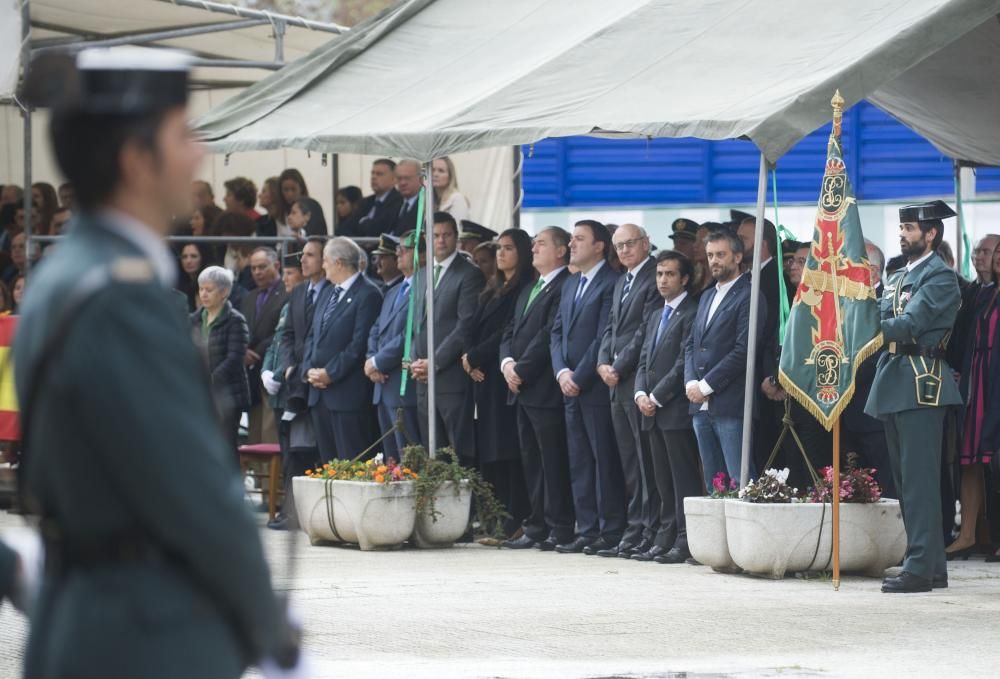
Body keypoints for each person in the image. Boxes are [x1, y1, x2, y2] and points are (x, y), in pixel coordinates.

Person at [15, 46, 294, 677]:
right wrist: (268, 632)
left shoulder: (69, 275)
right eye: (181, 133)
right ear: (135, 160)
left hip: (89, 618)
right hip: (146, 635)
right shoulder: (121, 297)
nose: (197, 152)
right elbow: (199, 499)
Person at [866, 200, 963, 593]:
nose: (902, 234)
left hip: (922, 382)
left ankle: (920, 567)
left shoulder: (940, 277)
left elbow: (908, 325)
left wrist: (864, 325)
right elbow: (882, 313)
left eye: (909, 228)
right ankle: (930, 564)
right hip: (895, 379)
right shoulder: (900, 274)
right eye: (902, 227)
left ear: (931, 234)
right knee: (906, 482)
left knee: (920, 483)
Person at [550, 219, 626, 554]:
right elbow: (556, 332)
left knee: (602, 459)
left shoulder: (611, 283)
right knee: (579, 460)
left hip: (593, 387)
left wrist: (578, 377)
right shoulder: (570, 283)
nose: (572, 245)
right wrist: (561, 373)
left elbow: (602, 337)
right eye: (570, 239)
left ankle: (609, 530)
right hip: (568, 384)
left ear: (599, 245)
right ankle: (588, 526)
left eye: (579, 239)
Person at [500, 227, 575, 550]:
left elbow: (548, 335)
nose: (534, 248)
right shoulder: (530, 287)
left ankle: (559, 525)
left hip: (543, 388)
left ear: (561, 250)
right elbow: (510, 330)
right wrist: (506, 364)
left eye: (541, 243)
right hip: (519, 388)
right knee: (531, 461)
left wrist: (522, 369)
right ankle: (537, 524)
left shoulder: (564, 286)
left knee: (552, 461)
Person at [596, 224, 661, 558]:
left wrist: (618, 366)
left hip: (636, 379)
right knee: (629, 463)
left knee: (645, 461)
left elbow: (644, 331)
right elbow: (610, 327)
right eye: (618, 246)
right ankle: (634, 527)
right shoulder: (622, 280)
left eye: (630, 244)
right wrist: (601, 362)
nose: (623, 251)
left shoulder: (653, 277)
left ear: (646, 243)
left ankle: (647, 530)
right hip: (614, 382)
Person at [464, 228, 533, 535]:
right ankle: (496, 514)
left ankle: (515, 516)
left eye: (508, 248)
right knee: (490, 449)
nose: (501, 254)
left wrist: (476, 356)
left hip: (502, 376)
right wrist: (468, 359)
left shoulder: (523, 288)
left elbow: (506, 331)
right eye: (499, 249)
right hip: (482, 376)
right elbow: (473, 326)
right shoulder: (494, 286)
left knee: (507, 449)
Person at [633, 250, 700, 564]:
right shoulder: (654, 313)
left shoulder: (691, 311)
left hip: (672, 410)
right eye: (659, 274)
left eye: (670, 274)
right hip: (650, 409)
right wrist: (639, 394)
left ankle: (685, 539)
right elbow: (644, 358)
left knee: (681, 478)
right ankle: (664, 535)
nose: (662, 280)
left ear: (684, 278)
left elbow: (681, 363)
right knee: (661, 480)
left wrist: (656, 396)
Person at [685, 229, 762, 488]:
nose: (714, 261)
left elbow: (744, 350)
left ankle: (745, 531)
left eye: (720, 254)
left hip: (731, 404)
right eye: (710, 255)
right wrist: (690, 384)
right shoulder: (707, 295)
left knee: (740, 482)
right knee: (713, 483)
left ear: (738, 256)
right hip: (700, 406)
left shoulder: (749, 295)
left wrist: (705, 386)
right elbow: (691, 345)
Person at [410, 212, 485, 465]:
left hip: (450, 379)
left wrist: (435, 361)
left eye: (446, 235)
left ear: (456, 238)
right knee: (432, 456)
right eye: (435, 235)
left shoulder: (468, 274)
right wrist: (414, 361)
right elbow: (414, 324)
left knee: (458, 453)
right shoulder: (421, 275)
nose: (440, 241)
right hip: (423, 380)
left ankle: (466, 506)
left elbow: (465, 326)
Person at [303, 237, 383, 460]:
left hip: (347, 395)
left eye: (326, 260)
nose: (323, 265)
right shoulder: (329, 292)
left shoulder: (368, 294)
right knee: (328, 466)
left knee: (352, 464)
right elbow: (312, 335)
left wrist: (330, 373)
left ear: (338, 262)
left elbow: (358, 345)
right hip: (319, 394)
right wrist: (309, 369)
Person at [950, 239, 1000, 559]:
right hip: (976, 378)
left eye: (987, 251)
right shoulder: (975, 292)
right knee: (969, 460)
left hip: (996, 380)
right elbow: (961, 336)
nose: (980, 257)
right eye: (977, 252)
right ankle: (967, 533)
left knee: (996, 460)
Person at [274, 236, 327, 529]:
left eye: (310, 255)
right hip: (296, 382)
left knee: (320, 449)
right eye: (302, 255)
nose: (303, 260)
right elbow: (288, 335)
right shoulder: (299, 292)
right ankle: (293, 512)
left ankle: (319, 515)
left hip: (322, 379)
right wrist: (289, 365)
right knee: (296, 448)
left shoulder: (332, 290)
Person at [366, 230, 424, 463]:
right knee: (392, 461)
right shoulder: (393, 291)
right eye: (398, 248)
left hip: (402, 385)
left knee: (409, 459)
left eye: (405, 249)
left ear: (421, 253)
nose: (398, 253)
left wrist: (378, 361)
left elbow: (408, 334)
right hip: (382, 385)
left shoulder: (423, 288)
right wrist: (371, 360)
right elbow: (376, 329)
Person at [841, 241, 893, 497]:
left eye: (850, 267)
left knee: (883, 486)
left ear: (872, 272)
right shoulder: (845, 303)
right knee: (852, 486)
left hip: (874, 413)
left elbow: (876, 355)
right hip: (845, 412)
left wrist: (843, 378)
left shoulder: (888, 302)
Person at [737, 215, 783, 474]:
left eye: (743, 238)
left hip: (767, 383)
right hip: (746, 382)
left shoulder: (777, 279)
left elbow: (772, 332)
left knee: (768, 453)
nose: (737, 243)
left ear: (763, 243)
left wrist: (769, 375)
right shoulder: (747, 277)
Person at [192, 266, 251, 454]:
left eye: (209, 290)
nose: (204, 294)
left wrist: (209, 379)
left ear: (224, 292)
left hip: (227, 396)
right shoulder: (193, 320)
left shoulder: (235, 320)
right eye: (201, 289)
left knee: (225, 448)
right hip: (199, 394)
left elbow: (234, 358)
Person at [240, 247, 288, 445]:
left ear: (276, 265)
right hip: (250, 373)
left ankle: (272, 476)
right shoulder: (249, 297)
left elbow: (282, 331)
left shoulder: (287, 291)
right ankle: (255, 476)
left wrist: (256, 353)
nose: (257, 272)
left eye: (262, 267)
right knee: (254, 434)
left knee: (270, 433)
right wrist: (243, 350)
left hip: (272, 368)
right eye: (253, 268)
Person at [338, 159, 402, 237]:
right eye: (372, 173)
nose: (373, 177)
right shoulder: (366, 202)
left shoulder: (399, 201)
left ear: (394, 179)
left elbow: (379, 228)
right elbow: (344, 228)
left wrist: (363, 222)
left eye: (379, 174)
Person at [432, 156, 470, 223]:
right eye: (432, 170)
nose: (435, 174)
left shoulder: (457, 199)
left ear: (450, 176)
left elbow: (459, 229)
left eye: (441, 171)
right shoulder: (430, 199)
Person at [394, 159, 424, 236]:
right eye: (399, 178)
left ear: (421, 178)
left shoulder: (427, 203)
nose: (402, 183)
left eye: (407, 178)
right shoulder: (394, 202)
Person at [177, 242, 208, 311]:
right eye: (184, 257)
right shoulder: (179, 286)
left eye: (194, 256)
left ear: (203, 258)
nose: (188, 261)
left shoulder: (211, 283)